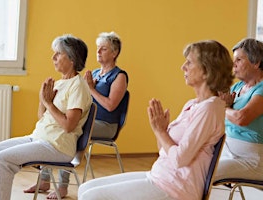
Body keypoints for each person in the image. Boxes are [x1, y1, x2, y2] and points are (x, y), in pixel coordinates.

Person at [77, 40, 234, 200]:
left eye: (189, 62)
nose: (183, 67)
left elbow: (180, 159)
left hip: (177, 188)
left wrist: (160, 131)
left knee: (91, 197)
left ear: (207, 70)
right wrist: (162, 131)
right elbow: (163, 151)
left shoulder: (210, 108)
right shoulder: (193, 105)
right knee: (85, 188)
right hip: (160, 175)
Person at [0, 34, 92, 200]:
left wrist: (49, 103)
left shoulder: (78, 86)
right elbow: (42, 119)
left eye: (58, 53)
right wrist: (43, 101)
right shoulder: (60, 83)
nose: (53, 57)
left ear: (71, 58)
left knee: (1, 160)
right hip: (38, 138)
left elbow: (68, 126)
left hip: (58, 146)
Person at [24, 31, 128, 199]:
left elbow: (110, 106)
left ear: (115, 53)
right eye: (97, 48)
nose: (98, 52)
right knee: (56, 128)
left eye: (104, 49)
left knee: (68, 132)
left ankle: (62, 187)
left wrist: (92, 89)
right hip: (87, 120)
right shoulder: (93, 74)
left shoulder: (119, 76)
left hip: (105, 125)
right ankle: (44, 180)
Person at [214, 38, 263, 181]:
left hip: (250, 160)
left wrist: (224, 107)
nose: (233, 65)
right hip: (227, 151)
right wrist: (225, 108)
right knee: (192, 168)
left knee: (201, 176)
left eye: (239, 60)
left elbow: (241, 118)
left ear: (256, 63)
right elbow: (215, 112)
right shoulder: (237, 87)